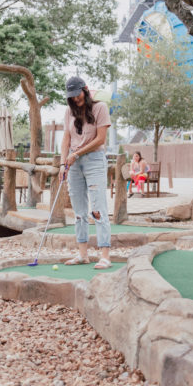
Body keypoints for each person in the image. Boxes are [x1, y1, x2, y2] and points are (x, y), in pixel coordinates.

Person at [60, 75, 112, 269]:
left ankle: (105, 255)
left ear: (86, 89)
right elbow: (66, 139)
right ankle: (83, 254)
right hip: (73, 163)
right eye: (71, 96)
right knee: (79, 212)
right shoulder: (68, 112)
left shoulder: (100, 108)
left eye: (78, 94)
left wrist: (77, 154)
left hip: (94, 160)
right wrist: (62, 164)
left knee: (97, 209)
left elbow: (100, 139)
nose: (75, 99)